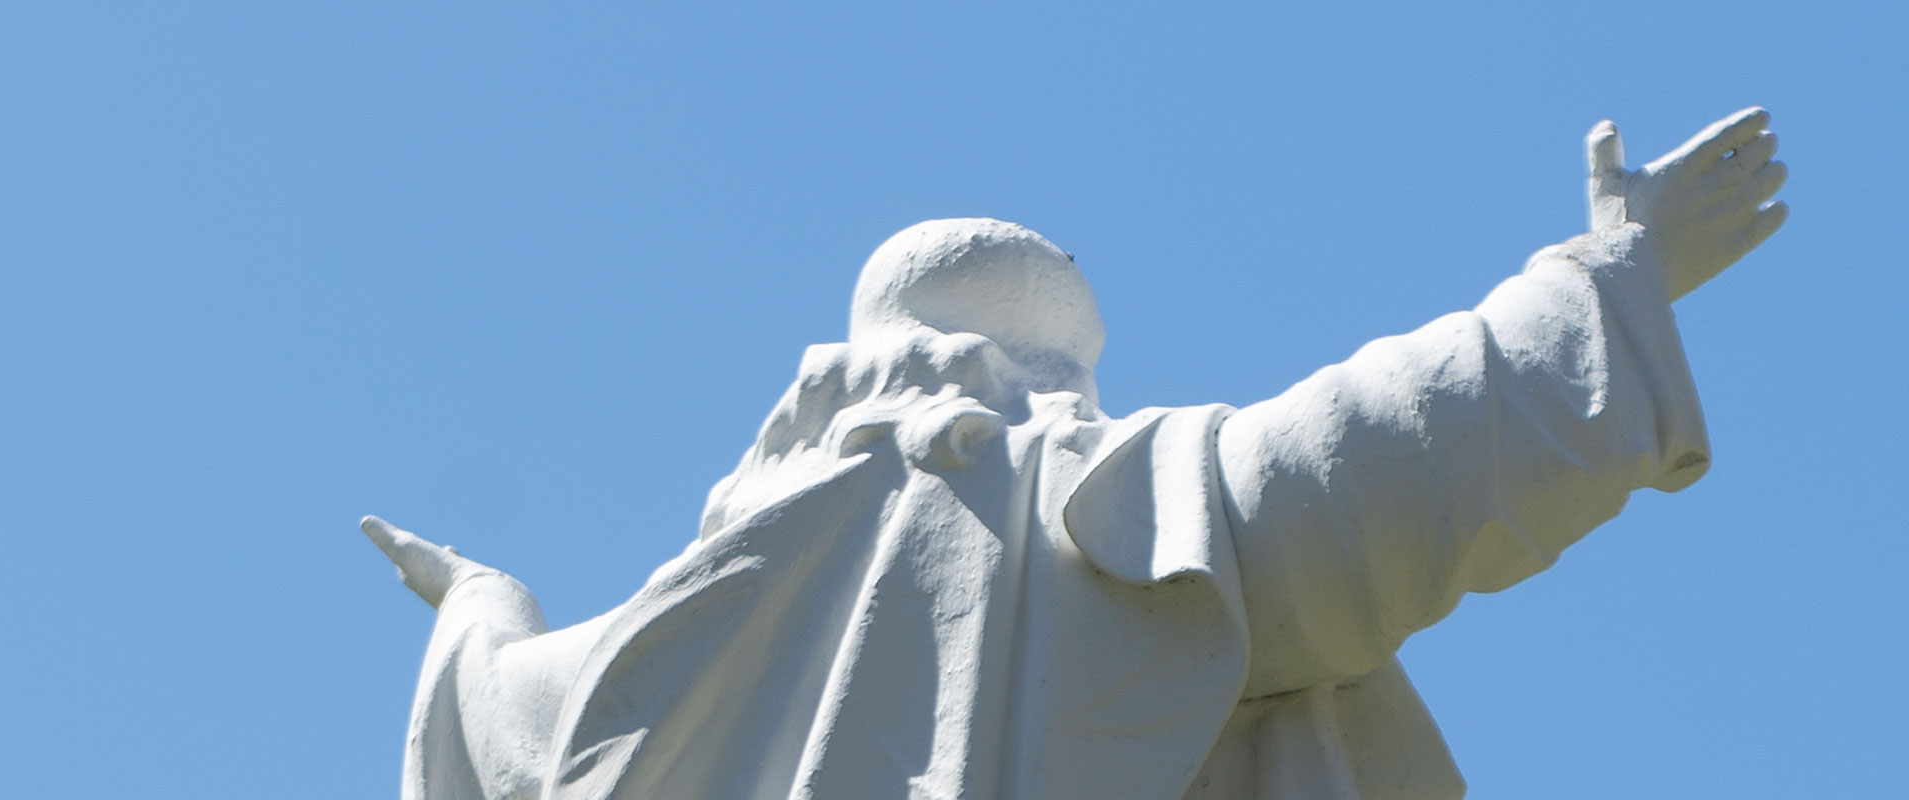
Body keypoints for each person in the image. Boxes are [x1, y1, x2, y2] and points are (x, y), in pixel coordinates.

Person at [361, 108, 1787, 800]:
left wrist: (481, 600)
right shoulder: (1100, 510)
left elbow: (500, 715)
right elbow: (1370, 470)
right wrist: (1609, 282)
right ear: (1047, 372)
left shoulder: (667, 643)